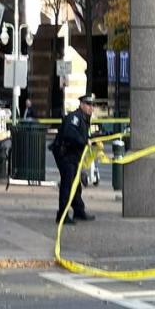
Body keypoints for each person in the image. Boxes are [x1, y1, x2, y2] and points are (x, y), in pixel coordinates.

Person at [50, 93, 97, 225]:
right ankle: (62, 215)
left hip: (73, 155)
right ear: (81, 105)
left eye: (92, 105)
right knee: (68, 184)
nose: (90, 108)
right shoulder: (75, 117)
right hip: (66, 154)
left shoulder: (84, 119)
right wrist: (84, 141)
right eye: (88, 105)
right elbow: (70, 134)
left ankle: (78, 210)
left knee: (75, 184)